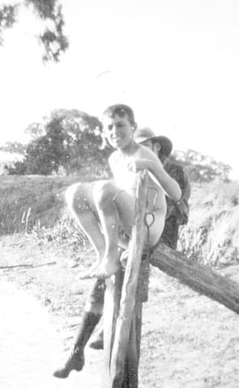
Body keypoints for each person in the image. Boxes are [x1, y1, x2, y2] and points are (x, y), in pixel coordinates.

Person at [54, 117, 190, 379]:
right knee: (105, 275)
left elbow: (178, 207)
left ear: (157, 147)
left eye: (145, 145)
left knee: (121, 275)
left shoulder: (173, 170)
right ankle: (77, 350)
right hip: (135, 230)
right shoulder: (130, 164)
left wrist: (143, 205)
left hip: (161, 235)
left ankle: (99, 338)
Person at [65, 103, 182, 281]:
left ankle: (111, 258)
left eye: (120, 125)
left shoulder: (145, 154)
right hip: (128, 229)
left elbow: (176, 194)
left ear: (133, 127)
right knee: (74, 193)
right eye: (109, 127)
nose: (114, 131)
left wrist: (150, 166)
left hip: (148, 228)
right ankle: (103, 255)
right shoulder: (114, 159)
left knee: (105, 188)